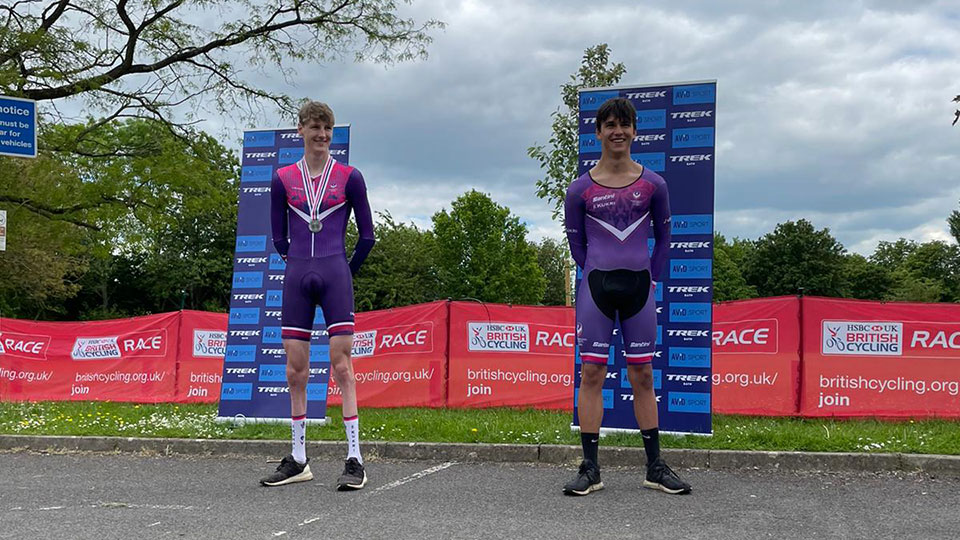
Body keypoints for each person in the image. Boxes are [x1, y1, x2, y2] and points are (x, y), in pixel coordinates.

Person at [562, 97, 691, 496]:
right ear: (598, 132)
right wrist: (594, 274)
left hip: (639, 288)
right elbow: (577, 246)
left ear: (635, 131)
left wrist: (651, 279)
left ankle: (654, 466)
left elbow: (666, 237)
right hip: (596, 287)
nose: (618, 131)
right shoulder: (579, 189)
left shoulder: (654, 184)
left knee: (643, 375)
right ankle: (590, 468)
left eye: (625, 125)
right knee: (592, 375)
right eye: (610, 125)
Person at [260, 100, 375, 490]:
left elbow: (367, 236)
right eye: (314, 128)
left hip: (334, 272)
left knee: (342, 368)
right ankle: (297, 458)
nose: (322, 135)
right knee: (296, 371)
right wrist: (297, 264)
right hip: (298, 276)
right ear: (301, 131)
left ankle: (355, 458)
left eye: (327, 129)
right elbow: (278, 236)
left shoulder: (349, 177)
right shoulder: (282, 178)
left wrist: (344, 270)